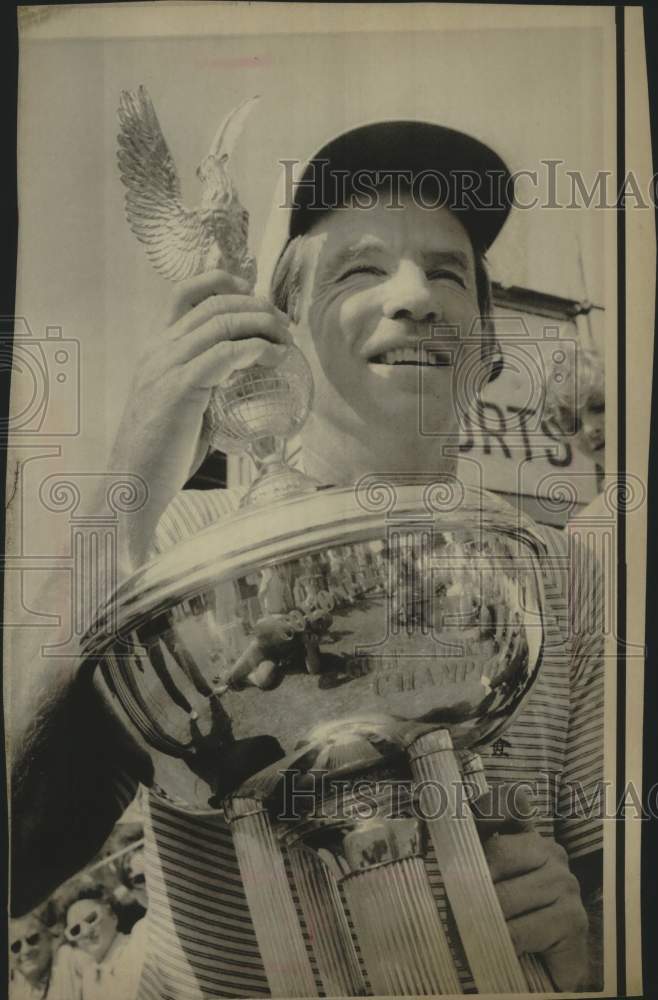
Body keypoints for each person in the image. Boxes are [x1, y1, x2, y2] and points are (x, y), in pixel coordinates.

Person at [10, 120, 603, 996]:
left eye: (449, 272)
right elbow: (15, 856)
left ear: (486, 347)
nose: (417, 297)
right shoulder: (176, 549)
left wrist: (588, 927)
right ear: (278, 329)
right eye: (361, 269)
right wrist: (131, 477)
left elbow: (602, 874)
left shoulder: (562, 575)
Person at [60, 885, 146, 1000]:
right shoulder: (89, 980)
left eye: (91, 919)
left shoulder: (139, 946)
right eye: (76, 930)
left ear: (113, 915)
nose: (86, 931)